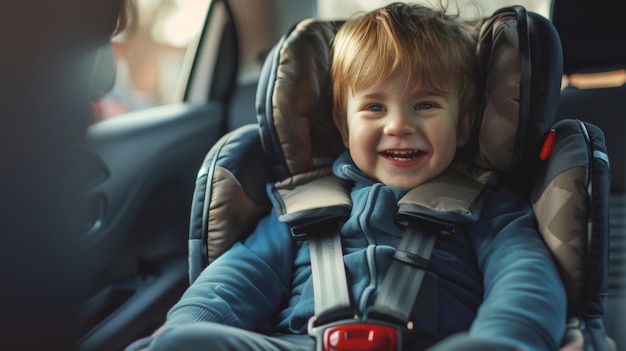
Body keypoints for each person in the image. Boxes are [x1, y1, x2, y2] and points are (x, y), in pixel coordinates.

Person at [127, 3, 566, 350]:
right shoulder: (300, 206)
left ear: (464, 125)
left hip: (439, 342)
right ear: (342, 124)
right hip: (302, 343)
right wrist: (179, 332)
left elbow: (523, 275)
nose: (398, 125)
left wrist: (506, 337)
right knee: (189, 340)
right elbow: (235, 280)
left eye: (426, 105)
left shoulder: (487, 205)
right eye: (375, 108)